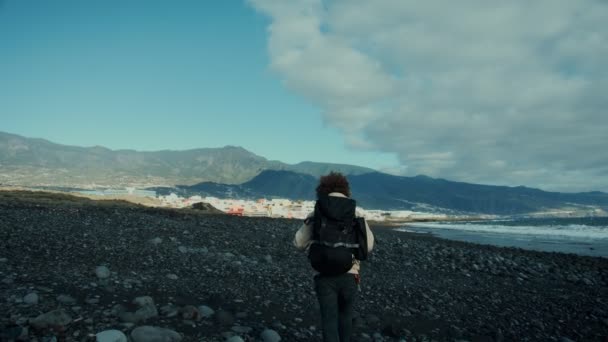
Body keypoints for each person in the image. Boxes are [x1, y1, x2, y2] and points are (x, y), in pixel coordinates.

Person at [294, 171, 375, 342]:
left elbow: (298, 243)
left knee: (329, 320)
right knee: (345, 318)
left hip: (323, 276)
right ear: (346, 190)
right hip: (350, 274)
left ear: (322, 190)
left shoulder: (317, 213)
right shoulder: (356, 214)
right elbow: (368, 246)